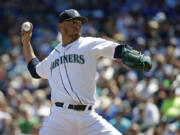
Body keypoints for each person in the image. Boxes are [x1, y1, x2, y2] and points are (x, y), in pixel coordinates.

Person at [21, 9, 152, 135]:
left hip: (87, 117)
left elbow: (117, 49)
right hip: (59, 119)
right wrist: (26, 43)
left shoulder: (88, 44)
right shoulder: (53, 55)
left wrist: (133, 54)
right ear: (61, 26)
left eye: (79, 23)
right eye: (72, 22)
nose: (77, 25)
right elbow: (35, 70)